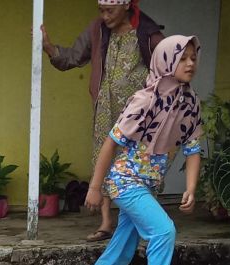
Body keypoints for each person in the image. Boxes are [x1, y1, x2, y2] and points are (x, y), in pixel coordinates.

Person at [72, 35, 203, 265]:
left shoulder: (190, 103)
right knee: (163, 230)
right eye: (183, 58)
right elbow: (111, 143)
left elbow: (193, 148)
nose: (191, 63)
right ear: (166, 61)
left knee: (124, 246)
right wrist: (95, 187)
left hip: (148, 185)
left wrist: (191, 188)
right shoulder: (145, 100)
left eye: (194, 57)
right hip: (125, 180)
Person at [42, 0, 163, 242]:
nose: (105, 16)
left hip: (141, 113)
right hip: (106, 109)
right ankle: (106, 221)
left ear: (127, 6)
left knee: (141, 161)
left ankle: (145, 221)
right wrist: (49, 48)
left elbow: (170, 67)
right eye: (101, 10)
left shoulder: (150, 34)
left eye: (110, 10)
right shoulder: (98, 30)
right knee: (104, 158)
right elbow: (74, 57)